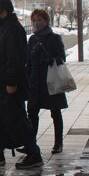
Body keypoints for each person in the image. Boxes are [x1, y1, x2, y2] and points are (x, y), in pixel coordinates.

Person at [0, 0, 43, 169]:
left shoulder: (12, 30)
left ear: (4, 13)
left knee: (18, 119)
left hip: (8, 86)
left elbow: (14, 59)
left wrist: (11, 83)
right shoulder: (5, 28)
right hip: (1, 84)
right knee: (1, 117)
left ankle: (33, 153)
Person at [26, 9, 68, 154]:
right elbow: (28, 61)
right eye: (34, 21)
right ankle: (31, 143)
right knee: (31, 112)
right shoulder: (32, 39)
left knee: (55, 112)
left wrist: (49, 60)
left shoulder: (54, 38)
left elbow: (62, 58)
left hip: (50, 81)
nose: (36, 24)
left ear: (46, 21)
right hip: (35, 82)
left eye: (40, 20)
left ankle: (58, 143)